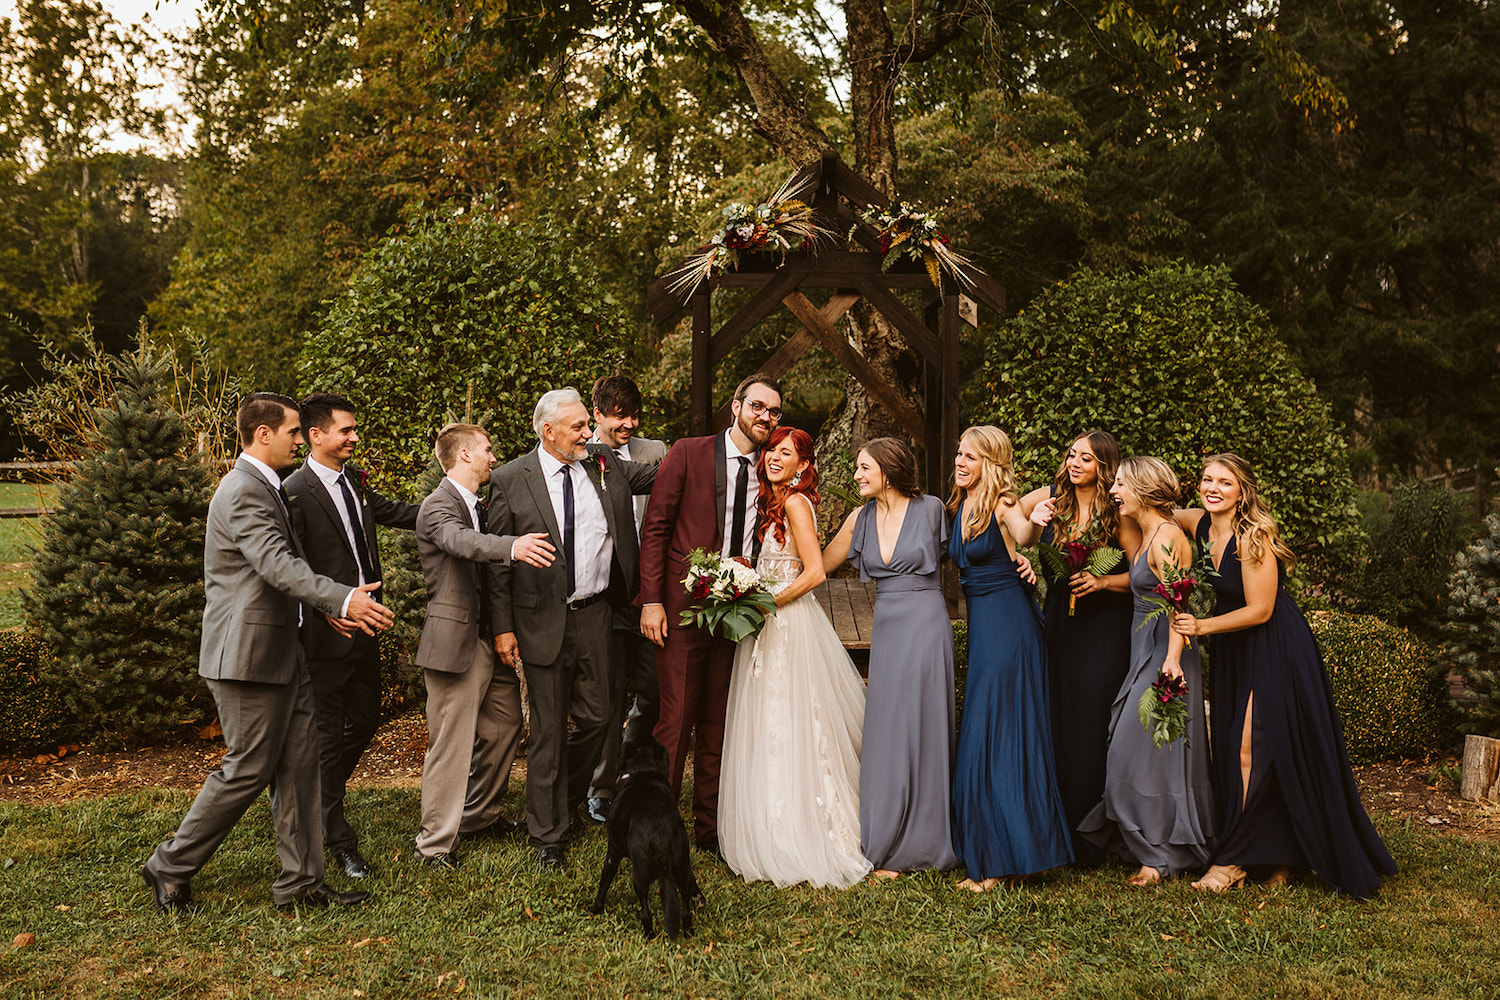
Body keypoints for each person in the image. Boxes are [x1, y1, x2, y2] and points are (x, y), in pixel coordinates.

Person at [141, 392, 394, 913]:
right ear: (263, 434)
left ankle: (300, 884)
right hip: (248, 656)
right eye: (295, 431)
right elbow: (276, 564)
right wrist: (343, 597)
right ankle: (169, 865)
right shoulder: (243, 491)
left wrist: (320, 611)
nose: (301, 440)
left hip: (287, 650)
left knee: (301, 766)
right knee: (249, 768)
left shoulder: (269, 487)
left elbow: (282, 567)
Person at [1172, 454, 1396, 897]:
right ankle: (1281, 854)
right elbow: (1155, 510)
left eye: (1224, 482)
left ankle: (1232, 859)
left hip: (1275, 647)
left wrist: (1201, 627)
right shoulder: (1197, 524)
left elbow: (1262, 609)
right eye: (1206, 479)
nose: (1212, 488)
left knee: (1248, 748)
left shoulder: (1254, 536)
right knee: (1254, 749)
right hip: (1236, 651)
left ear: (1242, 492)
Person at [487, 389, 657, 869]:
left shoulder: (604, 463)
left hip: (598, 615)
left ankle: (563, 799)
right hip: (538, 618)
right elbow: (499, 561)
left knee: (601, 719)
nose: (590, 433)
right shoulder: (509, 480)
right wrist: (502, 627)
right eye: (580, 426)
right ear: (548, 431)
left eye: (589, 424)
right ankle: (548, 834)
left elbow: (665, 473)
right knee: (547, 730)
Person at [719, 427, 871, 888]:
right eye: (771, 451)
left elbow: (816, 572)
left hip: (786, 623)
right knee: (768, 722)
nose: (773, 458)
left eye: (786, 453)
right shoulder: (773, 503)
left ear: (804, 464)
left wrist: (766, 603)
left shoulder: (795, 503)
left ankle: (806, 827)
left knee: (793, 719)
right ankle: (770, 821)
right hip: (766, 624)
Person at [638, 373, 781, 854]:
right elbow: (655, 527)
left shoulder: (773, 467)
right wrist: (652, 600)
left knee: (720, 719)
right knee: (675, 720)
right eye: (758, 406)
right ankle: (657, 823)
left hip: (737, 610)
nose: (766, 417)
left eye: (774, 412)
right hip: (681, 609)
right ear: (735, 406)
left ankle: (709, 831)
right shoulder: (688, 452)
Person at [284, 392, 420, 880]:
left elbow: (403, 513)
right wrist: (326, 612)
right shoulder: (293, 491)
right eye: (345, 430)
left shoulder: (356, 484)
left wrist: (464, 507)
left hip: (366, 629)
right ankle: (337, 836)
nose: (354, 437)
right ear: (315, 435)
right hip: (325, 636)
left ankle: (310, 794)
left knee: (364, 719)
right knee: (325, 735)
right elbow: (288, 569)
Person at [412, 423, 556, 870]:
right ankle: (434, 844)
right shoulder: (438, 507)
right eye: (488, 450)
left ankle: (479, 815)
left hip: (488, 640)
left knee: (504, 726)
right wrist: (513, 546)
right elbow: (462, 543)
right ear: (466, 456)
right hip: (454, 643)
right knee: (451, 745)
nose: (495, 457)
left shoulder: (482, 504)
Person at [823, 437, 959, 877]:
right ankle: (884, 837)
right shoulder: (858, 518)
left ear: (888, 468)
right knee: (886, 728)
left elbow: (977, 546)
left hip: (925, 624)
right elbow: (818, 565)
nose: (857, 475)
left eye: (864, 468)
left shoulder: (932, 508)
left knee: (923, 724)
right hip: (888, 626)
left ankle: (925, 840)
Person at [1075, 456, 1214, 885]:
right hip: (1145, 649)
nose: (1113, 490)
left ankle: (1160, 855)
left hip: (1164, 652)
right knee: (1141, 750)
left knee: (1146, 751)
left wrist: (1172, 660)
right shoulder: (1150, 532)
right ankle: (1154, 848)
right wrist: (1100, 582)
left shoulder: (1168, 538)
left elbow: (1181, 603)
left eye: (1120, 484)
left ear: (1144, 490)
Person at [946, 425, 1073, 890]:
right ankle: (1023, 848)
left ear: (991, 463)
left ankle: (999, 860)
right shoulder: (959, 506)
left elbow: (1022, 531)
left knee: (996, 733)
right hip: (986, 631)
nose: (959, 462)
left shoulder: (1002, 503)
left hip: (1011, 631)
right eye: (958, 454)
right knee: (998, 731)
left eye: (970, 457)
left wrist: (1037, 518)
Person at [1019, 431, 1139, 865]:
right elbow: (1006, 512)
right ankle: (1056, 826)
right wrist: (1023, 539)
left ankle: (1093, 838)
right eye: (1071, 455)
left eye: (1085, 459)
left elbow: (1143, 575)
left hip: (1103, 623)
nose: (1074, 464)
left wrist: (1103, 580)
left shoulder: (1119, 512)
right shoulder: (1053, 498)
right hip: (1059, 620)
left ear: (1103, 466)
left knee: (1092, 719)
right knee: (1058, 716)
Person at [584, 375, 669, 825]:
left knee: (652, 690)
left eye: (634, 416)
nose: (629, 425)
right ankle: (599, 786)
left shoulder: (654, 452)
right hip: (602, 594)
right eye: (620, 416)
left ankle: (635, 771)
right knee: (608, 696)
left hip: (647, 592)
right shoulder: (581, 455)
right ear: (596, 414)